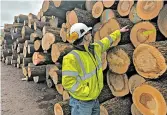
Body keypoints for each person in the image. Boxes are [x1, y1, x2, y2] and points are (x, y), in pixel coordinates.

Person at [62, 23, 129, 115]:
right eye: (88, 33)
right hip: (82, 102)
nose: (90, 34)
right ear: (85, 37)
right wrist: (86, 91)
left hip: (94, 99)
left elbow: (107, 40)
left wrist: (119, 32)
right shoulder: (71, 58)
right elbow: (68, 83)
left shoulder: (94, 48)